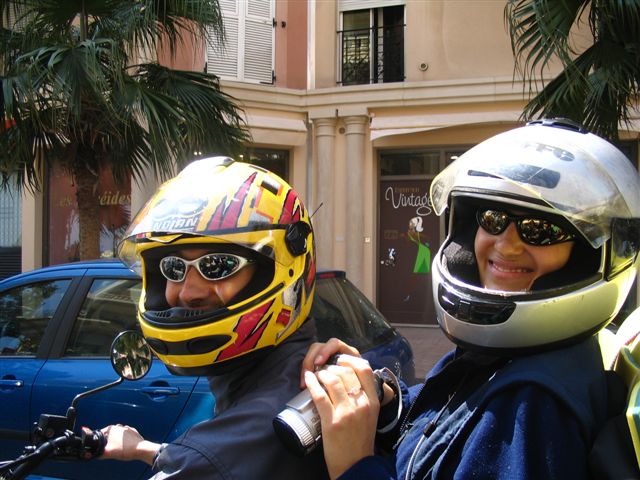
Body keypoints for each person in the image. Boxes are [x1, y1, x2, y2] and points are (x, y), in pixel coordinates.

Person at [301, 119, 640, 479]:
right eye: (493, 219)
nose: (506, 245)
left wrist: (354, 466)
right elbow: (445, 429)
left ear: (587, 257)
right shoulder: (505, 354)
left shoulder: (533, 406)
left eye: (540, 230)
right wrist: (381, 396)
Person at [101, 157, 328, 479]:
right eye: (173, 268)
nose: (187, 292)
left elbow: (215, 461)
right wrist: (145, 449)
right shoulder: (311, 379)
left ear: (283, 269)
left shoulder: (213, 456)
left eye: (218, 265)